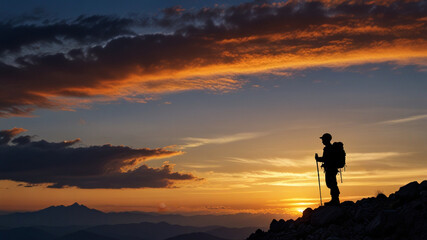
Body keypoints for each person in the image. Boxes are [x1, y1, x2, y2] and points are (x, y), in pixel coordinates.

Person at [315, 133, 340, 206]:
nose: (322, 141)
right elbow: (327, 159)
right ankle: (335, 199)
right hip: (331, 169)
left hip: (330, 169)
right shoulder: (329, 148)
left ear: (326, 140)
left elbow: (325, 159)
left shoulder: (328, 148)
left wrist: (317, 159)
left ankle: (335, 200)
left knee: (332, 184)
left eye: (323, 139)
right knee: (331, 184)